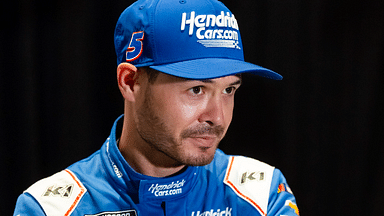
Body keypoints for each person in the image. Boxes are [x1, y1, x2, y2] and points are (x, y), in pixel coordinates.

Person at [14, 0, 299, 215]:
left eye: (228, 90)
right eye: (196, 90)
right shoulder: (49, 208)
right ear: (130, 82)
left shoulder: (262, 193)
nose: (217, 117)